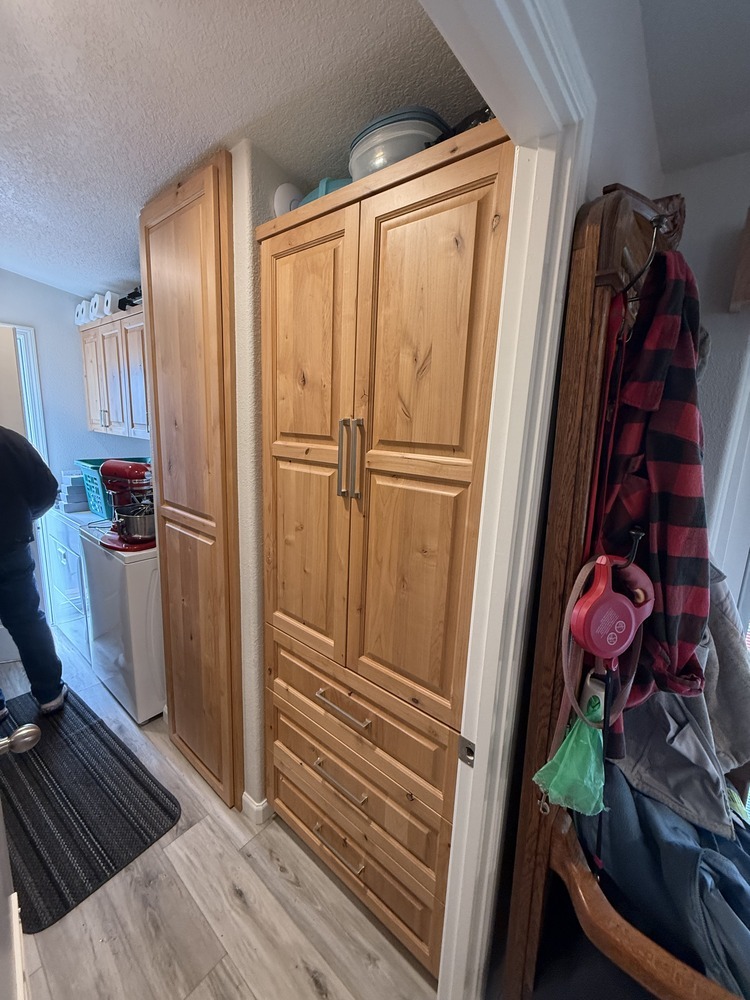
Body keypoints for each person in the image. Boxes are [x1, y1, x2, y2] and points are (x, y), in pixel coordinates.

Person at [0, 425, 67, 719]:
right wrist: (25, 518)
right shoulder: (8, 440)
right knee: (28, 621)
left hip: (11, 543)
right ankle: (49, 693)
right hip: (10, 546)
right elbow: (46, 490)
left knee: (29, 620)